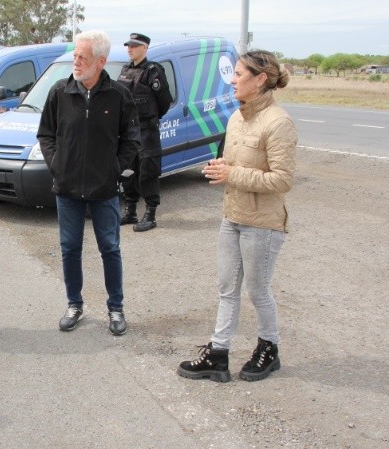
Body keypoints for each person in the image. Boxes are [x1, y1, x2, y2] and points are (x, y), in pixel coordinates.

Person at [177, 50, 297, 383]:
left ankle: (269, 349)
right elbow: (237, 165)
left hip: (263, 224)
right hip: (232, 217)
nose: (232, 80)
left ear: (260, 80)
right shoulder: (236, 117)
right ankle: (218, 355)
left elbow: (283, 180)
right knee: (227, 289)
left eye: (239, 74)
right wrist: (222, 168)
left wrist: (233, 174)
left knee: (258, 290)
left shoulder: (279, 122)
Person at [36, 30, 140, 336]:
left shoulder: (119, 95)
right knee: (70, 248)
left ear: (101, 61)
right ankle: (74, 304)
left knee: (110, 248)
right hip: (67, 189)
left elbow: (132, 139)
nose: (76, 62)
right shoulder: (60, 92)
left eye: (83, 57)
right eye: (75, 56)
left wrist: (114, 170)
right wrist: (57, 165)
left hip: (103, 189)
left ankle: (116, 308)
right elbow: (46, 134)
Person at [117, 33, 172, 232]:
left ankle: (150, 215)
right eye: (128, 46)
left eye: (134, 46)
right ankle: (130, 211)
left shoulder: (153, 71)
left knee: (148, 171)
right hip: (128, 131)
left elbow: (164, 101)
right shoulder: (125, 70)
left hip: (147, 130)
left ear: (145, 48)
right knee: (128, 170)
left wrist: (151, 118)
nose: (130, 49)